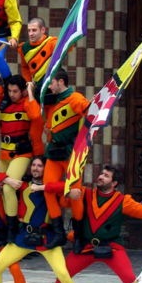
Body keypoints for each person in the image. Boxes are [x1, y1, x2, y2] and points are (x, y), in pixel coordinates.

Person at [0, 74, 43, 240]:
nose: (12, 94)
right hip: (4, 152)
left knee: (8, 188)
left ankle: (12, 230)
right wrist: (1, 89)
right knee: (4, 187)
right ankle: (7, 228)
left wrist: (30, 92)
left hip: (21, 153)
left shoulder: (26, 102)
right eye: (10, 91)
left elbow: (35, 115)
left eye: (15, 91)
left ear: (22, 91)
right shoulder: (4, 102)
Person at [41, 67, 89, 248]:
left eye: (51, 82)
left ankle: (79, 236)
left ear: (61, 82)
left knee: (75, 194)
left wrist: (95, 104)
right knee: (47, 189)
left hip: (71, 154)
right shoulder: (52, 100)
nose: (49, 86)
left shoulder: (74, 98)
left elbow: (88, 110)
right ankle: (59, 233)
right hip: (54, 152)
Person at [18, 17, 57, 94]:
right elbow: (25, 67)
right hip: (38, 87)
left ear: (43, 30)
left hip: (53, 86)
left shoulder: (51, 42)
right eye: (29, 30)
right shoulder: (24, 48)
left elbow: (65, 48)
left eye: (34, 30)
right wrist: (28, 81)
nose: (31, 34)